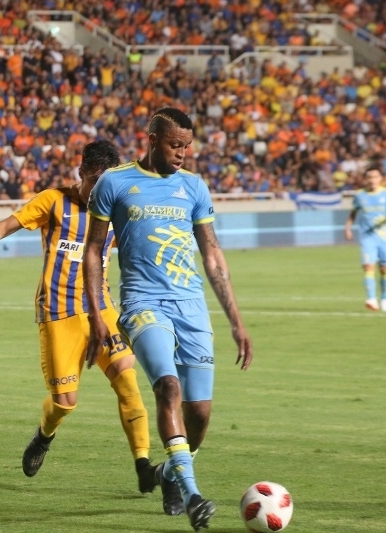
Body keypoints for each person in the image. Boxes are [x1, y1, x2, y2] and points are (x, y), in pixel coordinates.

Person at [83, 108, 253, 531]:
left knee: (200, 414)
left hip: (191, 305)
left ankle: (169, 473)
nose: (182, 153)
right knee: (168, 387)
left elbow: (212, 254)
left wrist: (235, 320)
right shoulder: (114, 183)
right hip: (143, 302)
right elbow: (94, 249)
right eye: (175, 144)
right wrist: (96, 313)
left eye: (187, 146)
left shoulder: (194, 186)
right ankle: (193, 494)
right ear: (153, 139)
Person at [0, 140, 157, 493]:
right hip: (58, 314)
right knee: (65, 403)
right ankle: (44, 435)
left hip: (101, 309)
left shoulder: (117, 210)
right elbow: (4, 226)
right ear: (81, 173)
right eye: (95, 183)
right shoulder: (54, 201)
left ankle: (143, 465)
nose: (100, 192)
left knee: (127, 379)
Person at [345, 168, 386, 312]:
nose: (372, 180)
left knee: (384, 269)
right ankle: (371, 299)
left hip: (384, 237)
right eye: (369, 177)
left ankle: (384, 299)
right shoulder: (360, 195)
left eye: (375, 177)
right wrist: (348, 228)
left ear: (380, 178)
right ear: (366, 179)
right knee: (368, 266)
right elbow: (353, 212)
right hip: (367, 236)